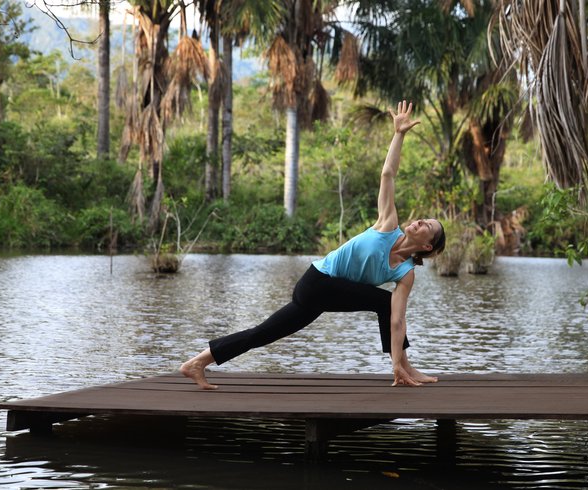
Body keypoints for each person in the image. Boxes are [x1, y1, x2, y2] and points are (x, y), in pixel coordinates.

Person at [180, 100, 446, 390]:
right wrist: (399, 134)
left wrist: (397, 362)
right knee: (380, 302)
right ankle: (404, 366)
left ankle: (197, 363)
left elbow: (397, 321)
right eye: (423, 219)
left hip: (325, 295)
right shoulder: (388, 224)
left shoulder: (405, 273)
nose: (420, 221)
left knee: (264, 333)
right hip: (317, 282)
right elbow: (388, 174)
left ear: (428, 247)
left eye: (427, 226)